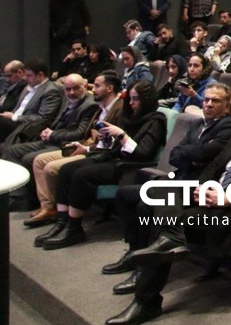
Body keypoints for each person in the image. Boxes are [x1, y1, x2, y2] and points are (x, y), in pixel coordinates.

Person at [105, 92, 231, 325]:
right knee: (156, 192)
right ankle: (168, 242)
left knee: (165, 220)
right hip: (208, 199)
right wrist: (202, 187)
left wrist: (227, 199)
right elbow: (213, 168)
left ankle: (146, 300)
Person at [35, 80, 166, 250]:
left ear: (146, 100)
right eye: (130, 99)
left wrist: (121, 135)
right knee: (67, 169)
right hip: (113, 157)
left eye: (136, 99)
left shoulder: (156, 120)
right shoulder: (130, 116)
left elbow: (142, 153)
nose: (131, 103)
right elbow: (114, 147)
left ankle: (74, 228)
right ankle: (62, 222)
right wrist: (107, 139)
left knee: (82, 175)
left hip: (129, 166)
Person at [26, 72, 123, 226]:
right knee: (39, 161)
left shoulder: (119, 108)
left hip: (97, 153)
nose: (92, 89)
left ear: (110, 88)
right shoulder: (100, 107)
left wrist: (86, 148)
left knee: (51, 167)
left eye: (97, 86)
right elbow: (88, 134)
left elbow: (111, 143)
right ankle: (48, 207)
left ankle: (60, 214)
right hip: (85, 145)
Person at [3, 73, 97, 215]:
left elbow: (80, 133)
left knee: (30, 158)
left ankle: (41, 204)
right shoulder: (67, 99)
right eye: (68, 89)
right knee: (12, 150)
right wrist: (47, 131)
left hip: (66, 144)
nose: (71, 92)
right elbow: (56, 122)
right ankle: (18, 197)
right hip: (52, 138)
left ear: (84, 86)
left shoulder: (89, 105)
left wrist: (52, 134)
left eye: (76, 88)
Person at [49, 0, 91, 70]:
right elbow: (52, 17)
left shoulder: (78, 0)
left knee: (80, 55)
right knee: (64, 57)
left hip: (77, 32)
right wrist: (54, 31)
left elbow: (85, 14)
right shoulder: (54, 1)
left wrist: (86, 27)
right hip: (62, 35)